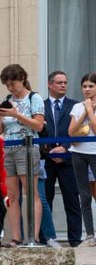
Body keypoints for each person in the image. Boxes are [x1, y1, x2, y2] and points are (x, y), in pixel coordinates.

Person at [0, 64, 45, 245]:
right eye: (7, 84)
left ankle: (33, 236)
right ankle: (16, 237)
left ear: (22, 79)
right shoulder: (7, 98)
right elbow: (0, 130)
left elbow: (38, 125)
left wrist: (16, 114)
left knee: (30, 192)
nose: (10, 88)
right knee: (11, 195)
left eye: (13, 83)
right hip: (8, 147)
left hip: (27, 146)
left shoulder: (34, 97)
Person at [38, 71, 82, 246]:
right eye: (59, 82)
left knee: (72, 200)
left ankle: (75, 240)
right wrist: (49, 150)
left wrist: (64, 148)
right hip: (46, 160)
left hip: (69, 160)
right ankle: (45, 238)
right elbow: (38, 131)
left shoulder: (75, 106)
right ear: (50, 84)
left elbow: (79, 131)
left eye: (65, 82)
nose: (63, 85)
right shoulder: (40, 106)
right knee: (44, 200)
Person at [68, 72, 96, 246]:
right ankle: (90, 235)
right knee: (83, 195)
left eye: (91, 86)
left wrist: (90, 110)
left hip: (95, 152)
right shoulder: (77, 107)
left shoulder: (87, 107)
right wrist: (84, 111)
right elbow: (71, 132)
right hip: (78, 152)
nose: (87, 89)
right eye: (84, 86)